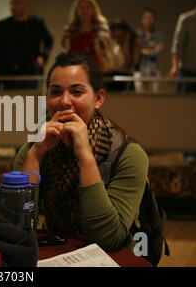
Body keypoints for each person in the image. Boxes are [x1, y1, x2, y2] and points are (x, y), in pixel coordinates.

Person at [14, 52, 148, 252]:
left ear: (99, 98)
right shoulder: (34, 148)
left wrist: (85, 154)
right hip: (56, 251)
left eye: (76, 92)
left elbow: (109, 238)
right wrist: (35, 155)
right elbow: (18, 228)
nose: (65, 102)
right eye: (56, 92)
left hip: (112, 257)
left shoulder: (129, 154)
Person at [0, 0, 53, 90]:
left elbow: (49, 41)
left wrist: (43, 57)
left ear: (25, 4)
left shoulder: (36, 23)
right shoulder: (3, 25)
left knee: (31, 102)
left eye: (17, 2)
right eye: (12, 3)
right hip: (8, 73)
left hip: (30, 72)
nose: (14, 6)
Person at [61, 0, 119, 74]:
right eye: (81, 7)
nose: (84, 11)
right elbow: (67, 51)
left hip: (97, 71)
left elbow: (107, 53)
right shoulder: (70, 30)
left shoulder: (101, 29)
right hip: (74, 71)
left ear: (93, 9)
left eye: (88, 7)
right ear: (76, 10)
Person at [107, 19, 141, 91]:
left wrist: (126, 42)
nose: (117, 33)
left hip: (126, 77)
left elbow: (129, 62)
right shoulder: (109, 44)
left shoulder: (132, 44)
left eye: (120, 31)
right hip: (110, 77)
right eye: (115, 31)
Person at [136, 8, 164, 92]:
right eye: (146, 17)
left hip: (154, 70)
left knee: (155, 97)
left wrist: (143, 51)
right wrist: (151, 50)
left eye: (150, 18)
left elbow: (157, 52)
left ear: (154, 20)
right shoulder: (137, 35)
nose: (148, 20)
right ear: (142, 19)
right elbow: (137, 51)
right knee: (139, 96)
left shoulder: (159, 36)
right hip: (140, 70)